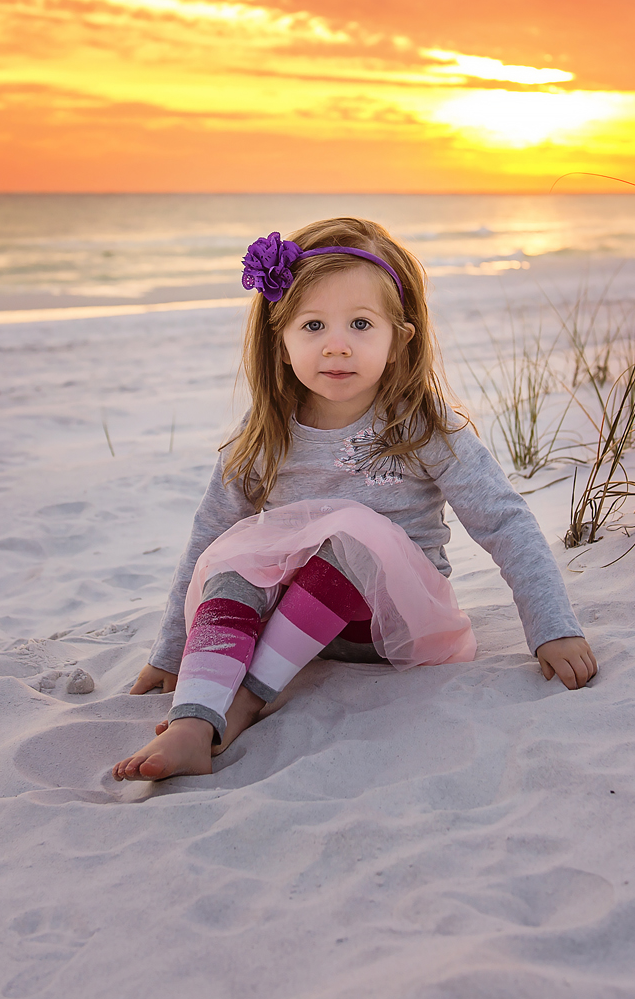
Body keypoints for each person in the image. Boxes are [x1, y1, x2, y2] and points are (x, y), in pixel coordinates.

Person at [112, 216, 597, 782]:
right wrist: (169, 651)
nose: (336, 345)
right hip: (301, 634)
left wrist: (552, 627)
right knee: (234, 564)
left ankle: (243, 703)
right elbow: (210, 536)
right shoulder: (266, 430)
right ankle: (193, 722)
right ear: (281, 338)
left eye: (361, 324)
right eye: (313, 325)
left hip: (393, 623)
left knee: (348, 544)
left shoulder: (423, 427)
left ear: (399, 341)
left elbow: (504, 522)